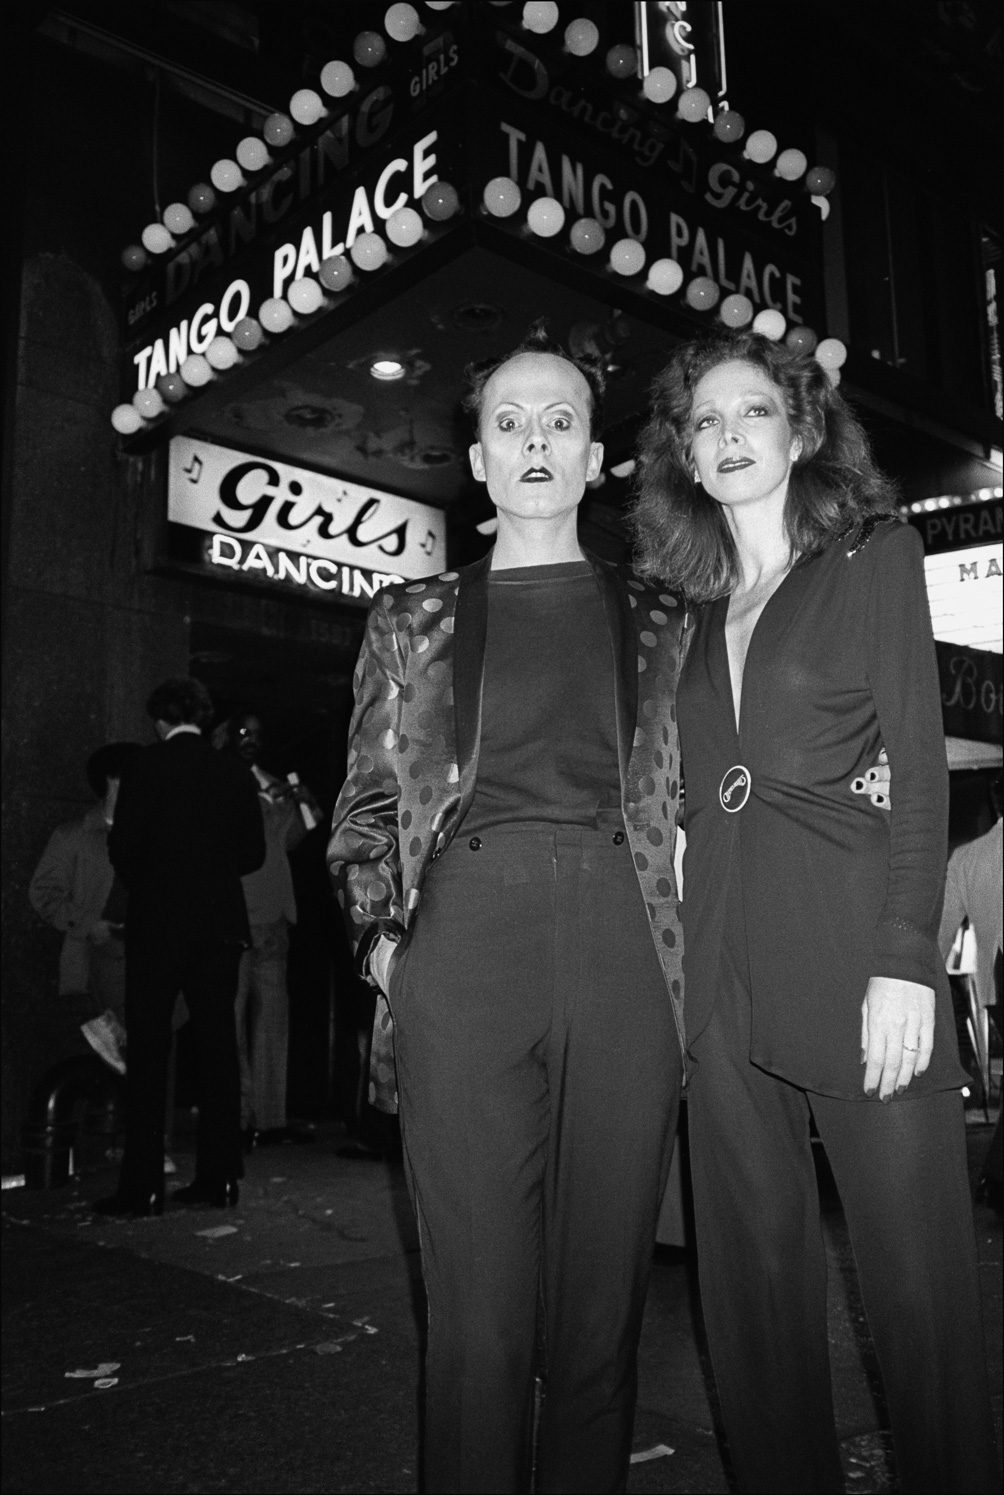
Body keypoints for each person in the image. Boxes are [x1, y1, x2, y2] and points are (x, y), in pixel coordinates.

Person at [632, 327, 999, 1493]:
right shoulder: (682, 612)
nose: (728, 436)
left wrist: (903, 955)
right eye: (704, 422)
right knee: (749, 1291)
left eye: (751, 413)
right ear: (684, 458)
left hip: (853, 951)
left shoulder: (869, 555)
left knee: (917, 1285)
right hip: (719, 962)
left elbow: (918, 763)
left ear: (798, 432)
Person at [328, 323, 688, 1494]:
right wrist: (393, 956)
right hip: (465, 940)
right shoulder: (412, 618)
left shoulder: (666, 618)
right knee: (478, 1315)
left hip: (628, 942)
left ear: (595, 461)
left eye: (561, 421)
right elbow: (365, 811)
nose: (535, 440)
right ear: (477, 462)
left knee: (598, 1314)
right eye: (508, 423)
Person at [93, 678, 265, 1217]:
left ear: (159, 720)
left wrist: (157, 878)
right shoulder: (233, 772)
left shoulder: (146, 766)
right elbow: (254, 853)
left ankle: (142, 1186)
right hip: (220, 927)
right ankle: (221, 1178)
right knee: (217, 1048)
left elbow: (123, 846)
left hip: (160, 925)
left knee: (148, 1050)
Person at [220, 710, 322, 1146]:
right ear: (226, 735)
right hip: (235, 917)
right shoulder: (220, 781)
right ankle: (236, 1117)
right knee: (230, 1020)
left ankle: (269, 1120)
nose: (250, 740)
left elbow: (303, 833)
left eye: (257, 734)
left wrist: (303, 795)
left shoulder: (271, 783)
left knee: (273, 1022)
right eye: (242, 732)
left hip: (276, 919)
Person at [29, 741, 142, 1070]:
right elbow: (43, 893)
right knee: (116, 1062)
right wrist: (89, 924)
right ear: (114, 780)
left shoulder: (150, 836)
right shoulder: (74, 835)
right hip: (103, 952)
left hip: (145, 950)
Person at [939, 777, 1003, 1211]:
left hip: (995, 983)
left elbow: (940, 934)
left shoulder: (968, 857)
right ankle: (995, 1181)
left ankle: (996, 1181)